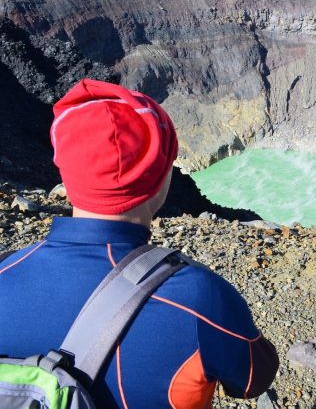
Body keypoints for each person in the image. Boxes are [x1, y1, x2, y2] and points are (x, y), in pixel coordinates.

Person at [0, 79, 279, 408]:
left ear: (66, 173)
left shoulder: (6, 272)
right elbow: (252, 380)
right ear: (160, 177)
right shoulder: (200, 299)